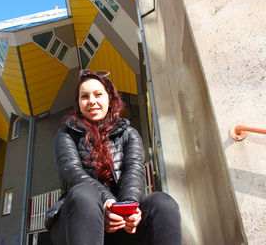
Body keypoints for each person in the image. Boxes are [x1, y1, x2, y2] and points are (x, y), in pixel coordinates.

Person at [45, 70, 182, 245]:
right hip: (78, 219)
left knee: (162, 203)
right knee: (84, 194)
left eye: (98, 94)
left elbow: (134, 170)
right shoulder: (66, 134)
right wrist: (108, 202)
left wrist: (127, 207)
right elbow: (71, 174)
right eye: (84, 97)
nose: (92, 101)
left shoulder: (129, 133)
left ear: (109, 99)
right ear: (78, 103)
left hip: (121, 222)